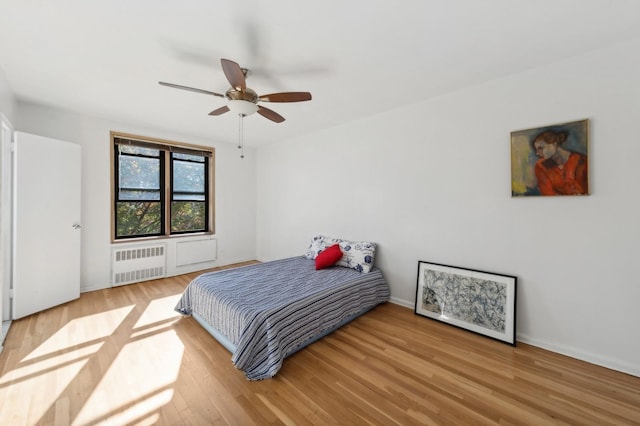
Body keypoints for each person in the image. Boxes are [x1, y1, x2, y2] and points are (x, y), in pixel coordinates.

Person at [531, 130, 588, 195]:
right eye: (537, 150)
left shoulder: (582, 161)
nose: (537, 153)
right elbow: (548, 194)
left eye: (541, 148)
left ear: (554, 144)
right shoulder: (541, 166)